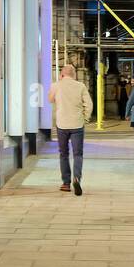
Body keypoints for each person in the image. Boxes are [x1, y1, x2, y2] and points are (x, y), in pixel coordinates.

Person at [48, 64, 94, 195]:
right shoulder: (81, 86)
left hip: (62, 124)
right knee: (78, 154)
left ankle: (66, 183)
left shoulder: (56, 85)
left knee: (63, 154)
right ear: (73, 75)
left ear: (62, 74)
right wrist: (85, 118)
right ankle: (77, 178)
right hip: (77, 124)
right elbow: (89, 104)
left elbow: (50, 99)